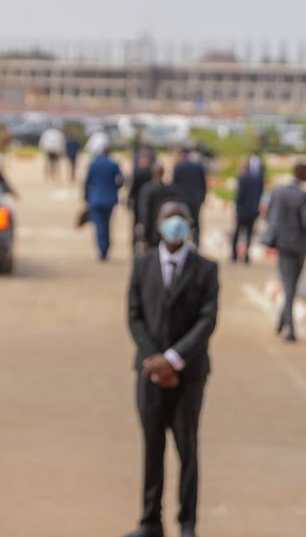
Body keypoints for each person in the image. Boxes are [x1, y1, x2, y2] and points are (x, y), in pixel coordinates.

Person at [125, 201, 219, 537]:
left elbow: (207, 320)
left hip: (188, 373)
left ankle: (187, 523)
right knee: (152, 446)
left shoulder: (206, 268)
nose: (174, 225)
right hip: (149, 372)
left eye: (180, 219)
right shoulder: (142, 264)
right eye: (168, 219)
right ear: (158, 225)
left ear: (189, 226)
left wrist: (174, 359)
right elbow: (134, 315)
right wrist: (154, 359)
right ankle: (150, 520)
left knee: (186, 447)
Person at [262, 161, 306, 342]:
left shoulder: (278, 192)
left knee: (288, 282)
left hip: (281, 243)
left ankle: (282, 320)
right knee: (290, 284)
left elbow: (269, 214)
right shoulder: (302, 196)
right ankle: (290, 327)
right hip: (297, 245)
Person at [83, 147, 124, 260]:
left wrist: (86, 197)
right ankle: (106, 247)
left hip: (95, 198)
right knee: (107, 224)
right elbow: (121, 179)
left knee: (99, 225)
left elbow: (87, 182)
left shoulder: (93, 164)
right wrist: (115, 189)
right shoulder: (113, 164)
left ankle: (102, 249)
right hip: (110, 198)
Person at [137, 164, 182, 250]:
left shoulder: (146, 189)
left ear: (152, 173)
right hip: (165, 231)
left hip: (151, 232)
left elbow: (144, 213)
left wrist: (144, 237)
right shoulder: (169, 190)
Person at [172, 148, 208, 246]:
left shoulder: (178, 167)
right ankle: (196, 243)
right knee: (196, 221)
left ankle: (182, 243)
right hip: (196, 199)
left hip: (182, 200)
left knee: (183, 221)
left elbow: (174, 185)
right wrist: (203, 197)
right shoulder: (198, 167)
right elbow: (203, 184)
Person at [231, 160, 264, 264]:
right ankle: (246, 255)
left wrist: (236, 207)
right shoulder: (257, 179)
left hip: (242, 210)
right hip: (253, 210)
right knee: (249, 233)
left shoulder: (242, 178)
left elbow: (239, 195)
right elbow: (259, 195)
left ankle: (234, 255)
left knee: (237, 232)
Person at [128, 150, 155, 250]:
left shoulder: (137, 172)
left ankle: (134, 244)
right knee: (148, 224)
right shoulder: (151, 172)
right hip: (148, 203)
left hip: (137, 202)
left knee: (135, 224)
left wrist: (129, 200)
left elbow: (133, 189)